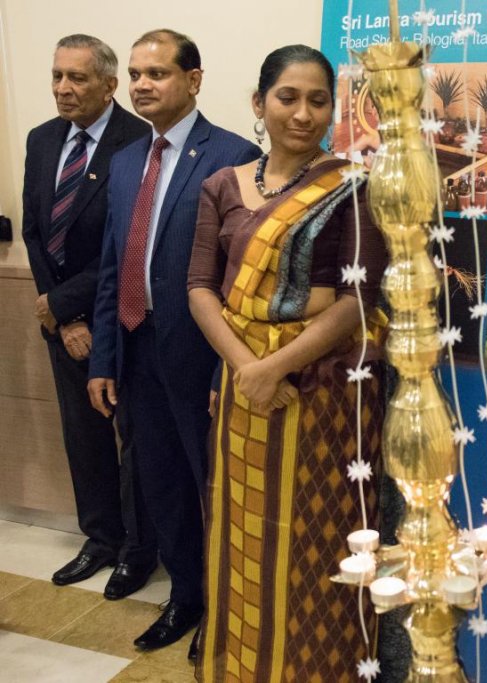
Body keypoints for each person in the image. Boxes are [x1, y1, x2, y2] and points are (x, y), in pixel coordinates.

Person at [187, 45, 388, 682]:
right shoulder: (222, 185)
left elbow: (358, 299)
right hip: (244, 390)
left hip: (325, 395)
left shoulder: (354, 187)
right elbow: (199, 287)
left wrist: (275, 367)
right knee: (241, 530)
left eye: (318, 101)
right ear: (259, 102)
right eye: (288, 97)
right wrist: (248, 367)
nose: (303, 114)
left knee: (317, 538)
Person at [87, 29, 260, 653]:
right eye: (135, 74)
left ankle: (226, 605)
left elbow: (241, 281)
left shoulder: (234, 156)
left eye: (156, 73)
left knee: (214, 486)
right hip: (137, 348)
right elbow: (114, 266)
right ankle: (186, 596)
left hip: (202, 358)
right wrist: (104, 357)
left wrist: (224, 371)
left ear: (193, 79)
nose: (141, 85)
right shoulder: (126, 160)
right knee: (161, 482)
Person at [22, 34, 156, 599]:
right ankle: (100, 538)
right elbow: (35, 231)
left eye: (77, 78)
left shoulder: (141, 141)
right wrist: (61, 317)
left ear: (109, 84)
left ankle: (139, 550)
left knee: (134, 441)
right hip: (64, 325)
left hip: (122, 318)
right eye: (57, 76)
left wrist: (64, 304)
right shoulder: (42, 138)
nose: (63, 88)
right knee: (83, 438)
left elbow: (129, 243)